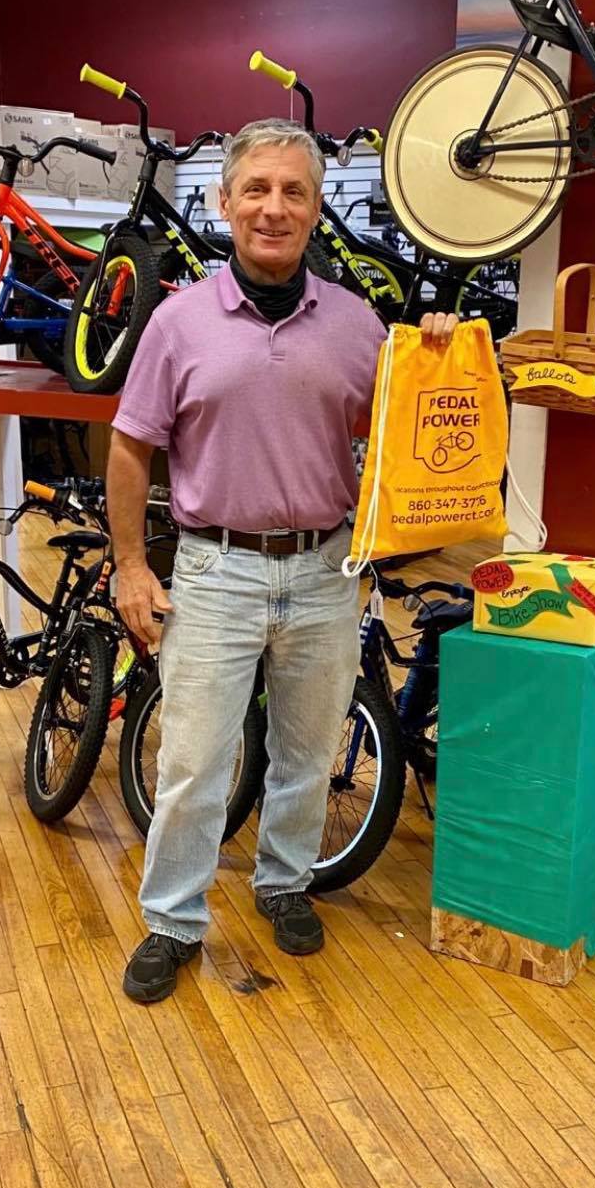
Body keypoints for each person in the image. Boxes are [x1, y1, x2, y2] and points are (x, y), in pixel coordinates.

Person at [106, 117, 457, 1003]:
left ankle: (284, 882)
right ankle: (173, 920)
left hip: (323, 570)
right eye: (256, 190)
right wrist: (130, 567)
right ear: (225, 204)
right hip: (214, 570)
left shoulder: (356, 325)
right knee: (195, 761)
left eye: (293, 191)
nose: (274, 207)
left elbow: (411, 424)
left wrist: (439, 354)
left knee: (307, 748)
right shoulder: (179, 323)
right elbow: (130, 448)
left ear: (315, 208)